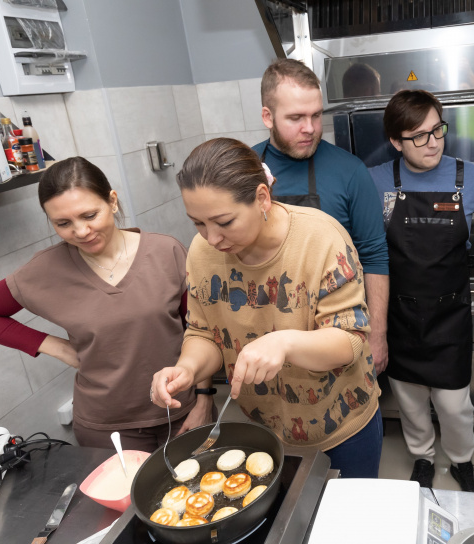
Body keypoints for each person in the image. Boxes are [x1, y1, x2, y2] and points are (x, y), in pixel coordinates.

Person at [150, 138, 382, 478]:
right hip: (263, 428)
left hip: (342, 427)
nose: (211, 238)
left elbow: (349, 341)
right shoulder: (202, 253)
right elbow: (205, 332)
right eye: (198, 223)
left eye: (224, 222)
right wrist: (188, 367)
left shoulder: (320, 239)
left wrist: (284, 343)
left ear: (262, 198)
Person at [0, 157, 214, 451]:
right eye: (63, 223)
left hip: (182, 412)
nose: (81, 232)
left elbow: (201, 330)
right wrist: (56, 347)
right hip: (107, 428)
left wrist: (204, 399)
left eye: (90, 215)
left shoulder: (165, 251)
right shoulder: (44, 270)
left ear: (113, 202)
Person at [369, 90, 474, 490]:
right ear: (395, 141)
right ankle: (422, 458)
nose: (433, 142)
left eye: (438, 130)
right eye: (419, 136)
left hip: (450, 313)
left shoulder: (469, 176)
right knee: (409, 401)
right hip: (400, 316)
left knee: (454, 404)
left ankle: (461, 459)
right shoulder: (375, 181)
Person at [252, 59, 390, 376]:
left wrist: (378, 335)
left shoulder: (350, 171)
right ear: (267, 116)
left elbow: (375, 256)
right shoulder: (242, 170)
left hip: (337, 332)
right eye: (296, 118)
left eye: (316, 115)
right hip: (266, 332)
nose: (310, 128)